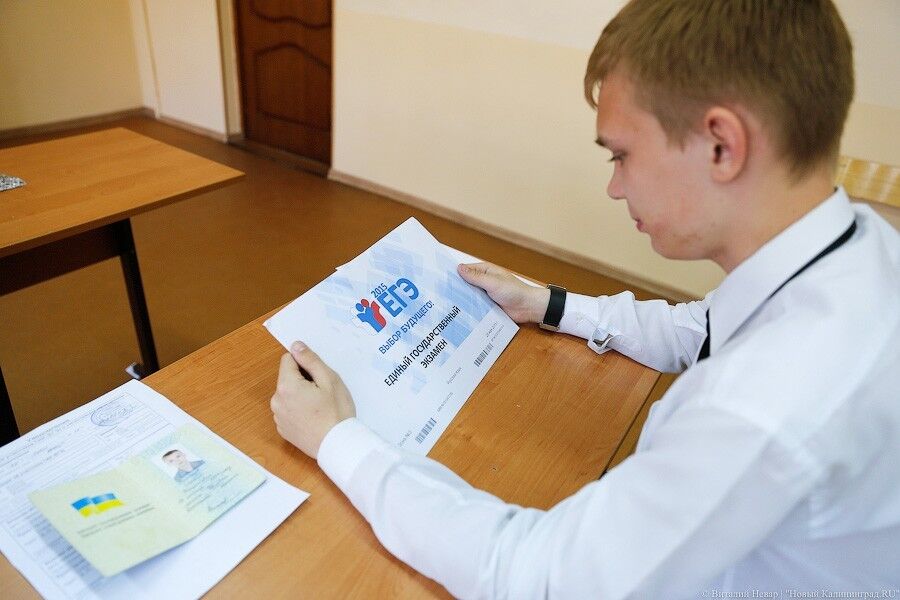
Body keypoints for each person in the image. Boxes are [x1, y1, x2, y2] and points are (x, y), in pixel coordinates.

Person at [270, 0, 900, 597]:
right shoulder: (860, 250)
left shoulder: (769, 398)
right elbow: (701, 329)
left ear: (721, 145)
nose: (614, 188)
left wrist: (337, 438)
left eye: (622, 156)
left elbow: (537, 578)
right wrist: (548, 304)